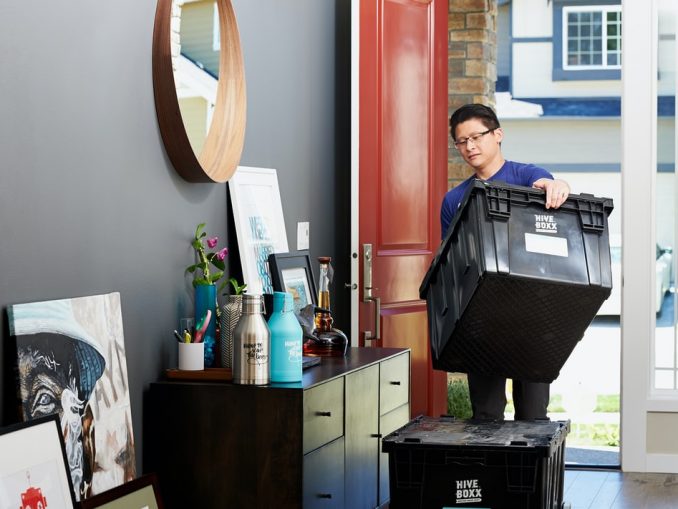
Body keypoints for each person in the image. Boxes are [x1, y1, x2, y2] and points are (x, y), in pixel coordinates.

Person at [442, 103, 570, 421]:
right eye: (461, 141)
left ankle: (532, 457)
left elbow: (548, 184)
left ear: (497, 134)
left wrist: (557, 186)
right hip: (481, 319)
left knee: (533, 415)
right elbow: (450, 262)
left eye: (477, 137)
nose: (469, 147)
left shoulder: (525, 176)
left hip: (533, 316)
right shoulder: (454, 199)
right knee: (485, 415)